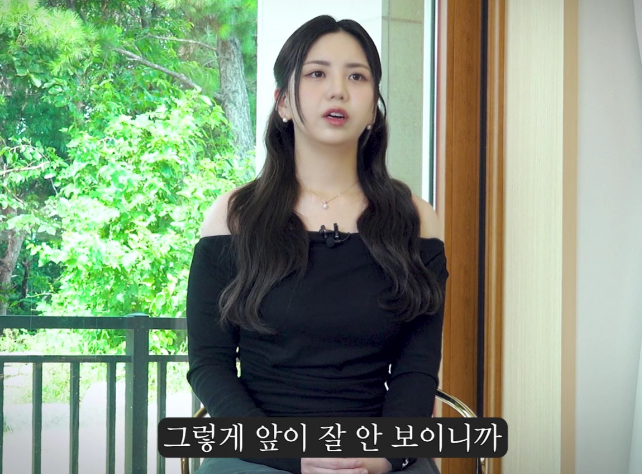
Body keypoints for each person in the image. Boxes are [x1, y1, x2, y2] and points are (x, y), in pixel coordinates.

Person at [186, 14, 448, 474]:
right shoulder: (233, 217)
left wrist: (383, 457)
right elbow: (210, 363)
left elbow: (418, 368)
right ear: (283, 103)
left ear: (373, 108)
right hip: (259, 451)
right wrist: (288, 453)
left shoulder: (416, 221)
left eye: (357, 76)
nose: (338, 90)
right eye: (316, 74)